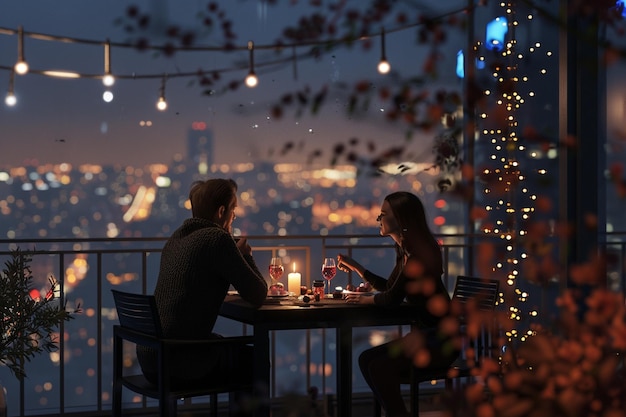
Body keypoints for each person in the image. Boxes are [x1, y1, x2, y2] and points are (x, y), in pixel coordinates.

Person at [137, 178, 268, 387]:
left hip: (152, 358)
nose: (234, 216)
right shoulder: (217, 239)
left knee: (223, 344)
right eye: (233, 210)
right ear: (221, 211)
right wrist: (245, 255)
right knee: (254, 358)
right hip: (179, 361)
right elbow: (258, 293)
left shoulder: (177, 237)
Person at [337, 191, 457, 417]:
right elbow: (390, 288)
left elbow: (391, 299)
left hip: (441, 340)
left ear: (401, 219)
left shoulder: (418, 254)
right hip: (426, 336)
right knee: (366, 360)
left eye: (383, 214)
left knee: (377, 366)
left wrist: (365, 300)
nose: (378, 219)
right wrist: (357, 268)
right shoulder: (406, 251)